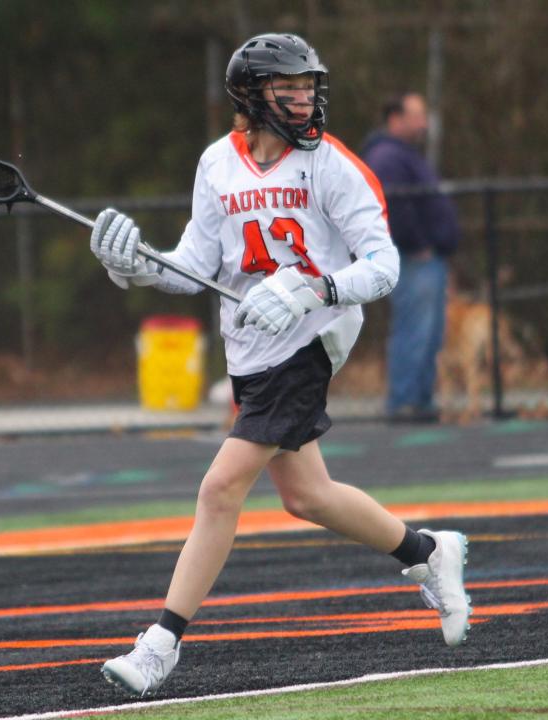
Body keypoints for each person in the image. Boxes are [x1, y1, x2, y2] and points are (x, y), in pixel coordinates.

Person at [88, 33, 471, 697]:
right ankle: (429, 552)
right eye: (286, 90)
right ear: (250, 95)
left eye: (307, 88)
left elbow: (384, 265)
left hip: (308, 342)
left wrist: (314, 287)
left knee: (219, 489)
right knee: (306, 496)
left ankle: (160, 645)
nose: (302, 100)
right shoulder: (217, 164)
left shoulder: (330, 165)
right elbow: (197, 267)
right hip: (250, 352)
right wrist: (141, 266)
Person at [361, 92, 460, 423]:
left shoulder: (406, 155)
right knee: (413, 330)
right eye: (416, 115)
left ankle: (419, 400)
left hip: (424, 258)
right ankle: (404, 401)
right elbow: (394, 207)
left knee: (429, 332)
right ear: (395, 119)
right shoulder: (388, 156)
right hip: (411, 258)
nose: (424, 123)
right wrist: (417, 244)